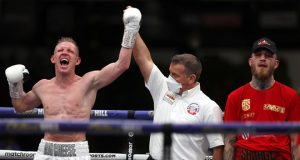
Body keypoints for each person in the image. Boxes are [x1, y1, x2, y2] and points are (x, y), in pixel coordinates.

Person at [4, 7, 142, 160]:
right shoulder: (42, 86)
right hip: (46, 151)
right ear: (53, 58)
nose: (64, 52)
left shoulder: (89, 82)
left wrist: (131, 29)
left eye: (70, 51)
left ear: (77, 60)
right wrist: (14, 85)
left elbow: (121, 65)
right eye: (60, 50)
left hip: (77, 151)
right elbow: (20, 106)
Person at [132, 32, 224, 160]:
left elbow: (218, 148)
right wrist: (133, 28)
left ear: (191, 78)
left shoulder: (209, 107)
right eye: (170, 73)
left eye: (175, 75)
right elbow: (143, 59)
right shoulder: (163, 87)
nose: (170, 78)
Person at [223, 37, 300, 160]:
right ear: (250, 61)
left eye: (268, 55)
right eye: (258, 54)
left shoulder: (291, 96)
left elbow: (296, 142)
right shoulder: (235, 97)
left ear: (276, 63)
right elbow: (229, 142)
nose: (263, 58)